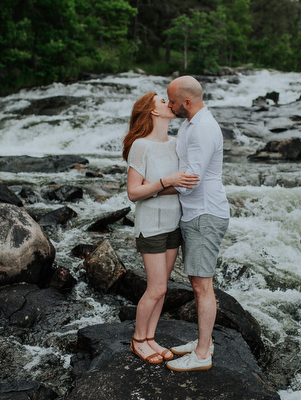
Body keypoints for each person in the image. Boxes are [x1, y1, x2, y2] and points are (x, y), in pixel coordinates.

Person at [123, 91, 199, 364]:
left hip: (173, 223)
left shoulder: (176, 143)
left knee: (163, 288)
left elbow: (178, 186)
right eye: (163, 102)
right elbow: (133, 192)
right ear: (154, 112)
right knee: (154, 288)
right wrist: (167, 181)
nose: (170, 104)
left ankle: (150, 337)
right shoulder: (141, 146)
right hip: (151, 226)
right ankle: (138, 340)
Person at [165, 76, 230, 372]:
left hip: (205, 212)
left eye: (173, 101)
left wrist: (150, 188)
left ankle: (203, 354)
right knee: (196, 281)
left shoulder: (203, 128)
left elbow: (190, 180)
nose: (169, 105)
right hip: (194, 212)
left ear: (187, 102)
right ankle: (204, 342)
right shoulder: (189, 123)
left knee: (203, 285)